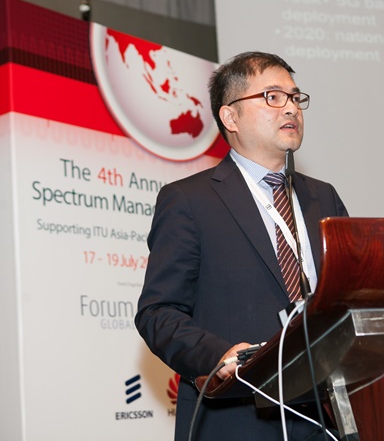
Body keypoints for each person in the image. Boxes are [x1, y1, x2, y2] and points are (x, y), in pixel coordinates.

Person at [135, 51, 349, 440]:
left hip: (327, 419)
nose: (291, 108)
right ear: (230, 117)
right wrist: (219, 355)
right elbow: (158, 312)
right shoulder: (190, 201)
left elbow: (349, 297)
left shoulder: (324, 198)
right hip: (238, 419)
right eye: (272, 96)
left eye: (295, 97)